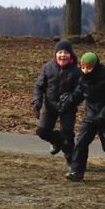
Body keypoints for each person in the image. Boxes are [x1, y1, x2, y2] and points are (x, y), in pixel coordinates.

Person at [60, 53, 105, 181]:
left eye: (89, 68)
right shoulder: (82, 80)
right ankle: (76, 172)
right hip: (90, 118)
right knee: (81, 143)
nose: (85, 71)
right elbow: (77, 95)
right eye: (83, 67)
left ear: (95, 67)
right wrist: (65, 102)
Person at [33, 39, 81, 167]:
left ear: (70, 55)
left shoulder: (76, 71)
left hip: (68, 107)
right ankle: (57, 142)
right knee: (42, 131)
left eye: (66, 52)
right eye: (60, 52)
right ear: (55, 54)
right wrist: (37, 102)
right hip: (49, 105)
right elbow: (39, 86)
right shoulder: (47, 67)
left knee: (67, 134)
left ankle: (72, 161)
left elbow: (80, 91)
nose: (62, 55)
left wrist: (71, 98)